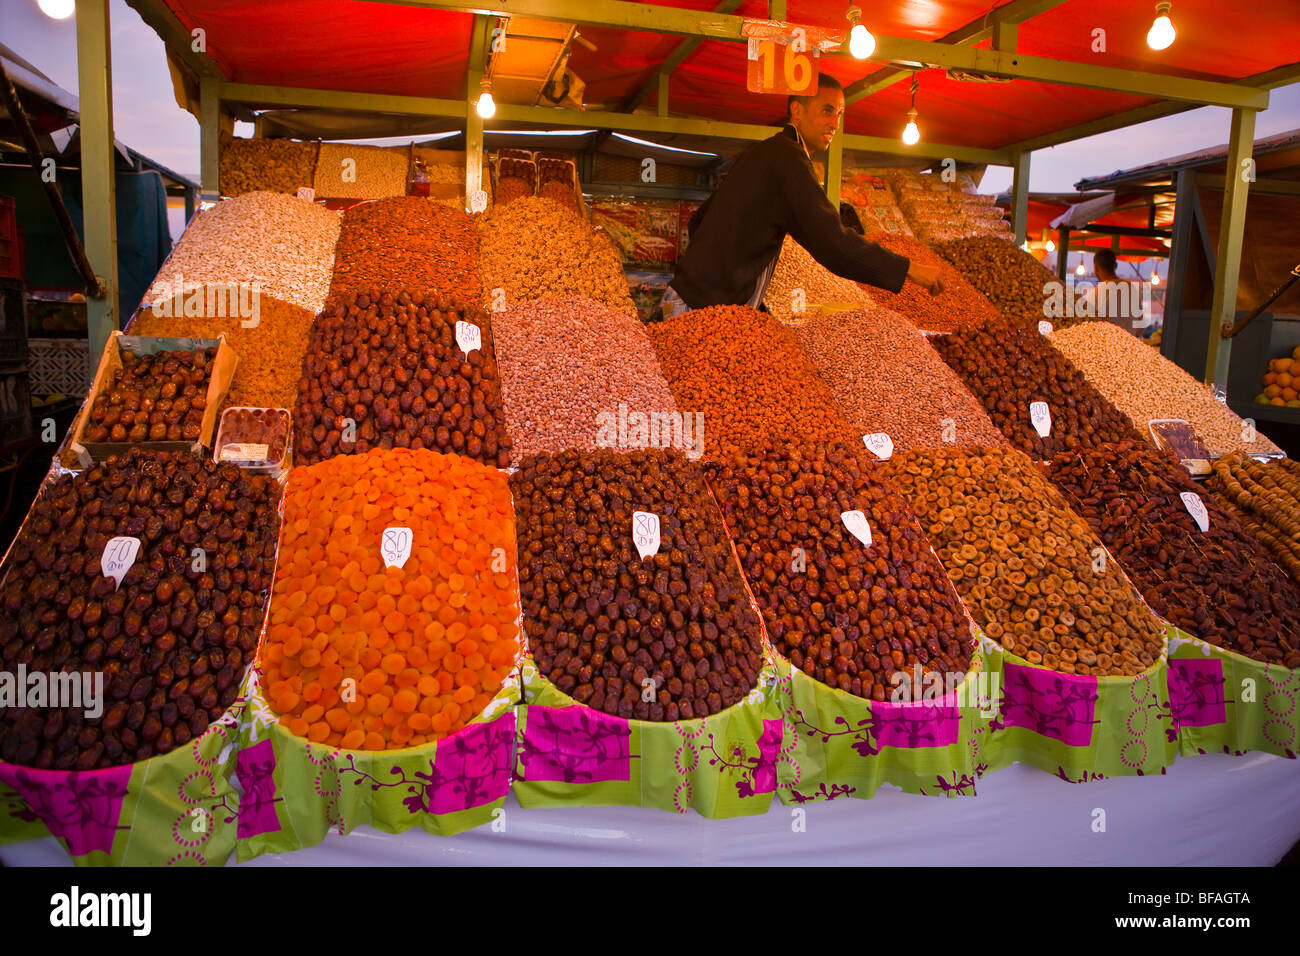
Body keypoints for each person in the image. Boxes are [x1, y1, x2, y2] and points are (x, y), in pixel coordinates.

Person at [653, 73, 944, 321]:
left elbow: (699, 221)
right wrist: (907, 269)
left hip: (682, 298)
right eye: (827, 110)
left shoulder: (766, 152)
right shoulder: (788, 159)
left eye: (840, 114)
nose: (835, 123)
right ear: (797, 110)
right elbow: (833, 243)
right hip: (701, 311)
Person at [1082, 249, 1149, 333]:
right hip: (1128, 344)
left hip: (1106, 344)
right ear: (1116, 265)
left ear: (1095, 267)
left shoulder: (1095, 293)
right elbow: (1140, 327)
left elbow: (1087, 325)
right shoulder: (1133, 289)